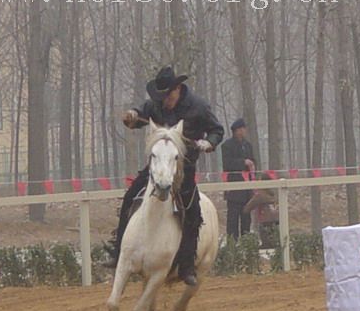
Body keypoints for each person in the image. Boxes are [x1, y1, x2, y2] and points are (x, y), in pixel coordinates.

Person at [104, 66, 224, 287]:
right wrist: (131, 115)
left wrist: (209, 143)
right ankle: (119, 248)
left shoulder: (198, 107)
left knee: (193, 212)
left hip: (183, 169)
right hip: (157, 167)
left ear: (178, 89)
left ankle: (186, 265)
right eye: (161, 96)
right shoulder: (156, 104)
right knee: (130, 196)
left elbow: (217, 130)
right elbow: (139, 115)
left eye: (168, 95)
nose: (165, 101)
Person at [221, 118, 255, 240]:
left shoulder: (248, 145)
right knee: (232, 220)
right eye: (240, 129)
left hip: (247, 189)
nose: (242, 132)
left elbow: (252, 160)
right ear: (235, 131)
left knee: (246, 219)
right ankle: (232, 246)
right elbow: (227, 164)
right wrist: (243, 162)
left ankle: (247, 243)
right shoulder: (227, 146)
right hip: (234, 190)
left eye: (243, 129)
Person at [243, 172, 279, 249]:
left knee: (266, 243)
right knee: (275, 241)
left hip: (265, 221)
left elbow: (248, 207)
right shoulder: (274, 193)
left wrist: (244, 209)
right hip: (276, 219)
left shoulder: (260, 194)